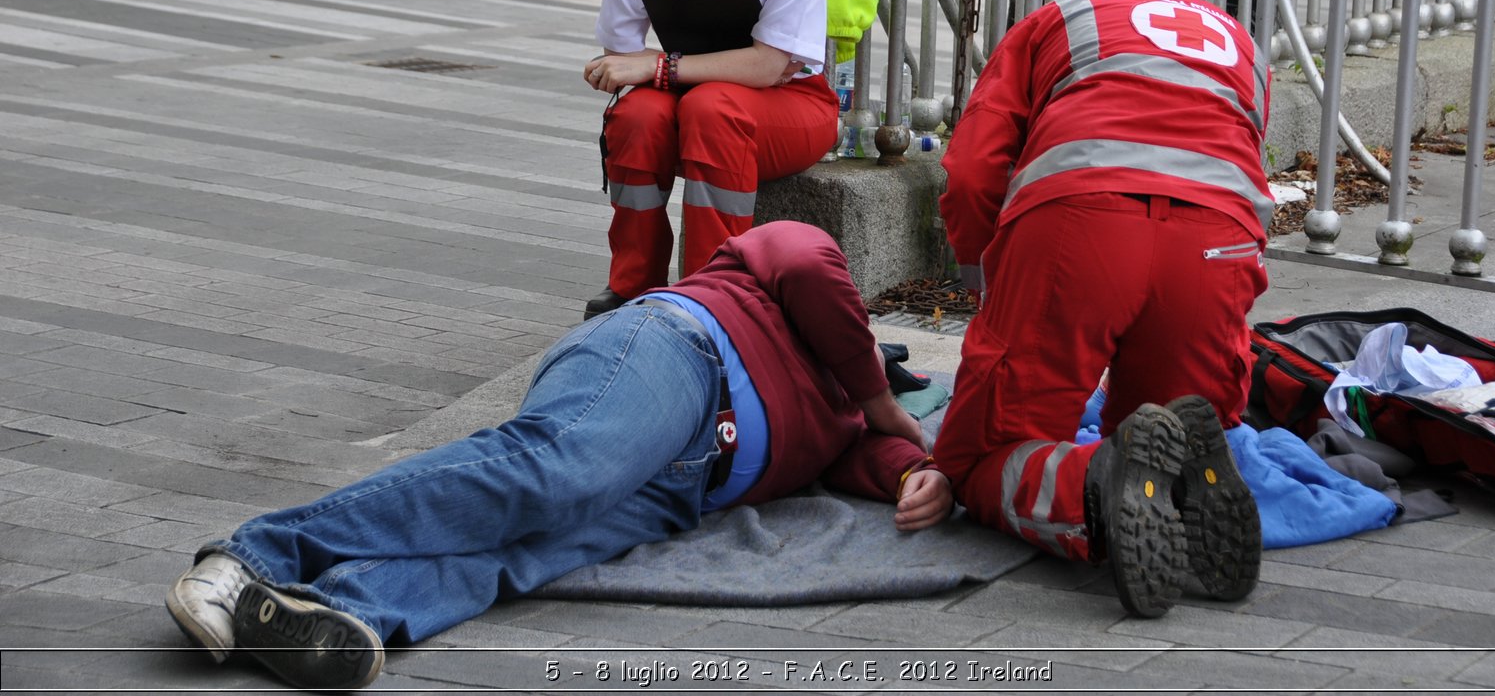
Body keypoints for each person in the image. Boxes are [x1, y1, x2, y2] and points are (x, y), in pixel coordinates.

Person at [165, 222, 951, 691]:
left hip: (682, 488)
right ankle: (249, 557)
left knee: (524, 554)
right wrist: (877, 394)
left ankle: (340, 609)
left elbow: (873, 461)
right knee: (552, 467)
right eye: (875, 363)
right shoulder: (802, 285)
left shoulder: (848, 419)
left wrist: (920, 474)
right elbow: (808, 264)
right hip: (677, 355)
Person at [932, 0, 1271, 619]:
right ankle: (1174, 481)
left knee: (979, 456)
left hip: (1082, 221)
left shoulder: (1057, 19)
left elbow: (972, 175)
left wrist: (991, 289)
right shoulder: (1242, 46)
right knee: (1165, 426)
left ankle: (1097, 481)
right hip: (1216, 242)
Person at [581, 0, 839, 320]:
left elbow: (770, 65)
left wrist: (660, 66)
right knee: (635, 114)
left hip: (789, 105)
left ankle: (711, 299)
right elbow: (620, 54)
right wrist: (653, 72)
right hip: (685, 97)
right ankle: (632, 289)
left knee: (712, 108)